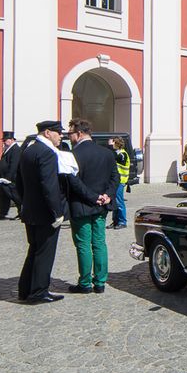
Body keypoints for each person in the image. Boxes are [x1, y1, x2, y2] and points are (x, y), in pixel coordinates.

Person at [15, 120, 70, 304]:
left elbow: (19, 181)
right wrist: (57, 211)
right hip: (45, 212)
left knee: (34, 251)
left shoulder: (28, 150)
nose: (60, 136)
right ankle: (38, 291)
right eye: (58, 132)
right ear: (48, 133)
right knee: (45, 253)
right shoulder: (47, 153)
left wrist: (24, 203)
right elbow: (50, 186)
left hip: (30, 210)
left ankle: (25, 289)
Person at [65, 119, 118, 294]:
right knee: (99, 243)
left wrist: (93, 197)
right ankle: (101, 282)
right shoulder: (106, 153)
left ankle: (85, 283)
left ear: (79, 133)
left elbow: (73, 182)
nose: (68, 136)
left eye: (70, 133)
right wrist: (107, 196)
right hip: (102, 205)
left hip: (81, 205)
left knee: (83, 244)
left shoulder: (72, 155)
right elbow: (115, 178)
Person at [0, 130, 22, 220]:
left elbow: (14, 165)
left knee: (15, 196)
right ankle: (2, 213)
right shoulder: (7, 149)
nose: (4, 142)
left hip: (11, 179)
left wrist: (8, 178)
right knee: (3, 196)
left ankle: (22, 213)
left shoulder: (16, 149)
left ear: (12, 140)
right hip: (3, 178)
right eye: (3, 140)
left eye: (5, 140)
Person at [109, 136, 130, 230]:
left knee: (119, 201)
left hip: (120, 181)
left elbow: (114, 159)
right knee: (115, 201)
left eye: (112, 142)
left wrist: (110, 148)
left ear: (116, 143)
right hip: (115, 181)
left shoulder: (122, 154)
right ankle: (115, 221)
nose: (110, 143)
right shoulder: (117, 153)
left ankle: (122, 221)